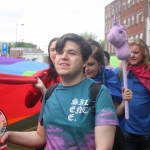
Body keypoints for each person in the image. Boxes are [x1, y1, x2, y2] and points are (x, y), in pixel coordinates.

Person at [0, 33, 118, 150]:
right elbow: (40, 138)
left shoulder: (99, 92)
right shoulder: (49, 93)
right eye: (60, 52)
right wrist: (9, 135)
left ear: (85, 61)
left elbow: (104, 147)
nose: (64, 57)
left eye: (71, 53)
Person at [85, 38, 132, 131]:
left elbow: (116, 112)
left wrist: (124, 102)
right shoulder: (75, 79)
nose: (86, 69)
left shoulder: (109, 78)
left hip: (103, 133)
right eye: (83, 64)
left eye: (91, 64)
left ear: (100, 63)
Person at [113, 38, 150, 150]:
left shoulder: (148, 73)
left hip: (147, 131)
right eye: (130, 52)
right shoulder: (119, 72)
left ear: (143, 53)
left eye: (136, 52)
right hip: (127, 131)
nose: (132, 55)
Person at [25, 38, 61, 108]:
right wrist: (35, 86)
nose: (56, 53)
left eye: (59, 49)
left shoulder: (75, 74)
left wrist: (43, 89)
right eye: (52, 50)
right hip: (47, 117)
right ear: (49, 54)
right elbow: (29, 103)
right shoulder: (44, 74)